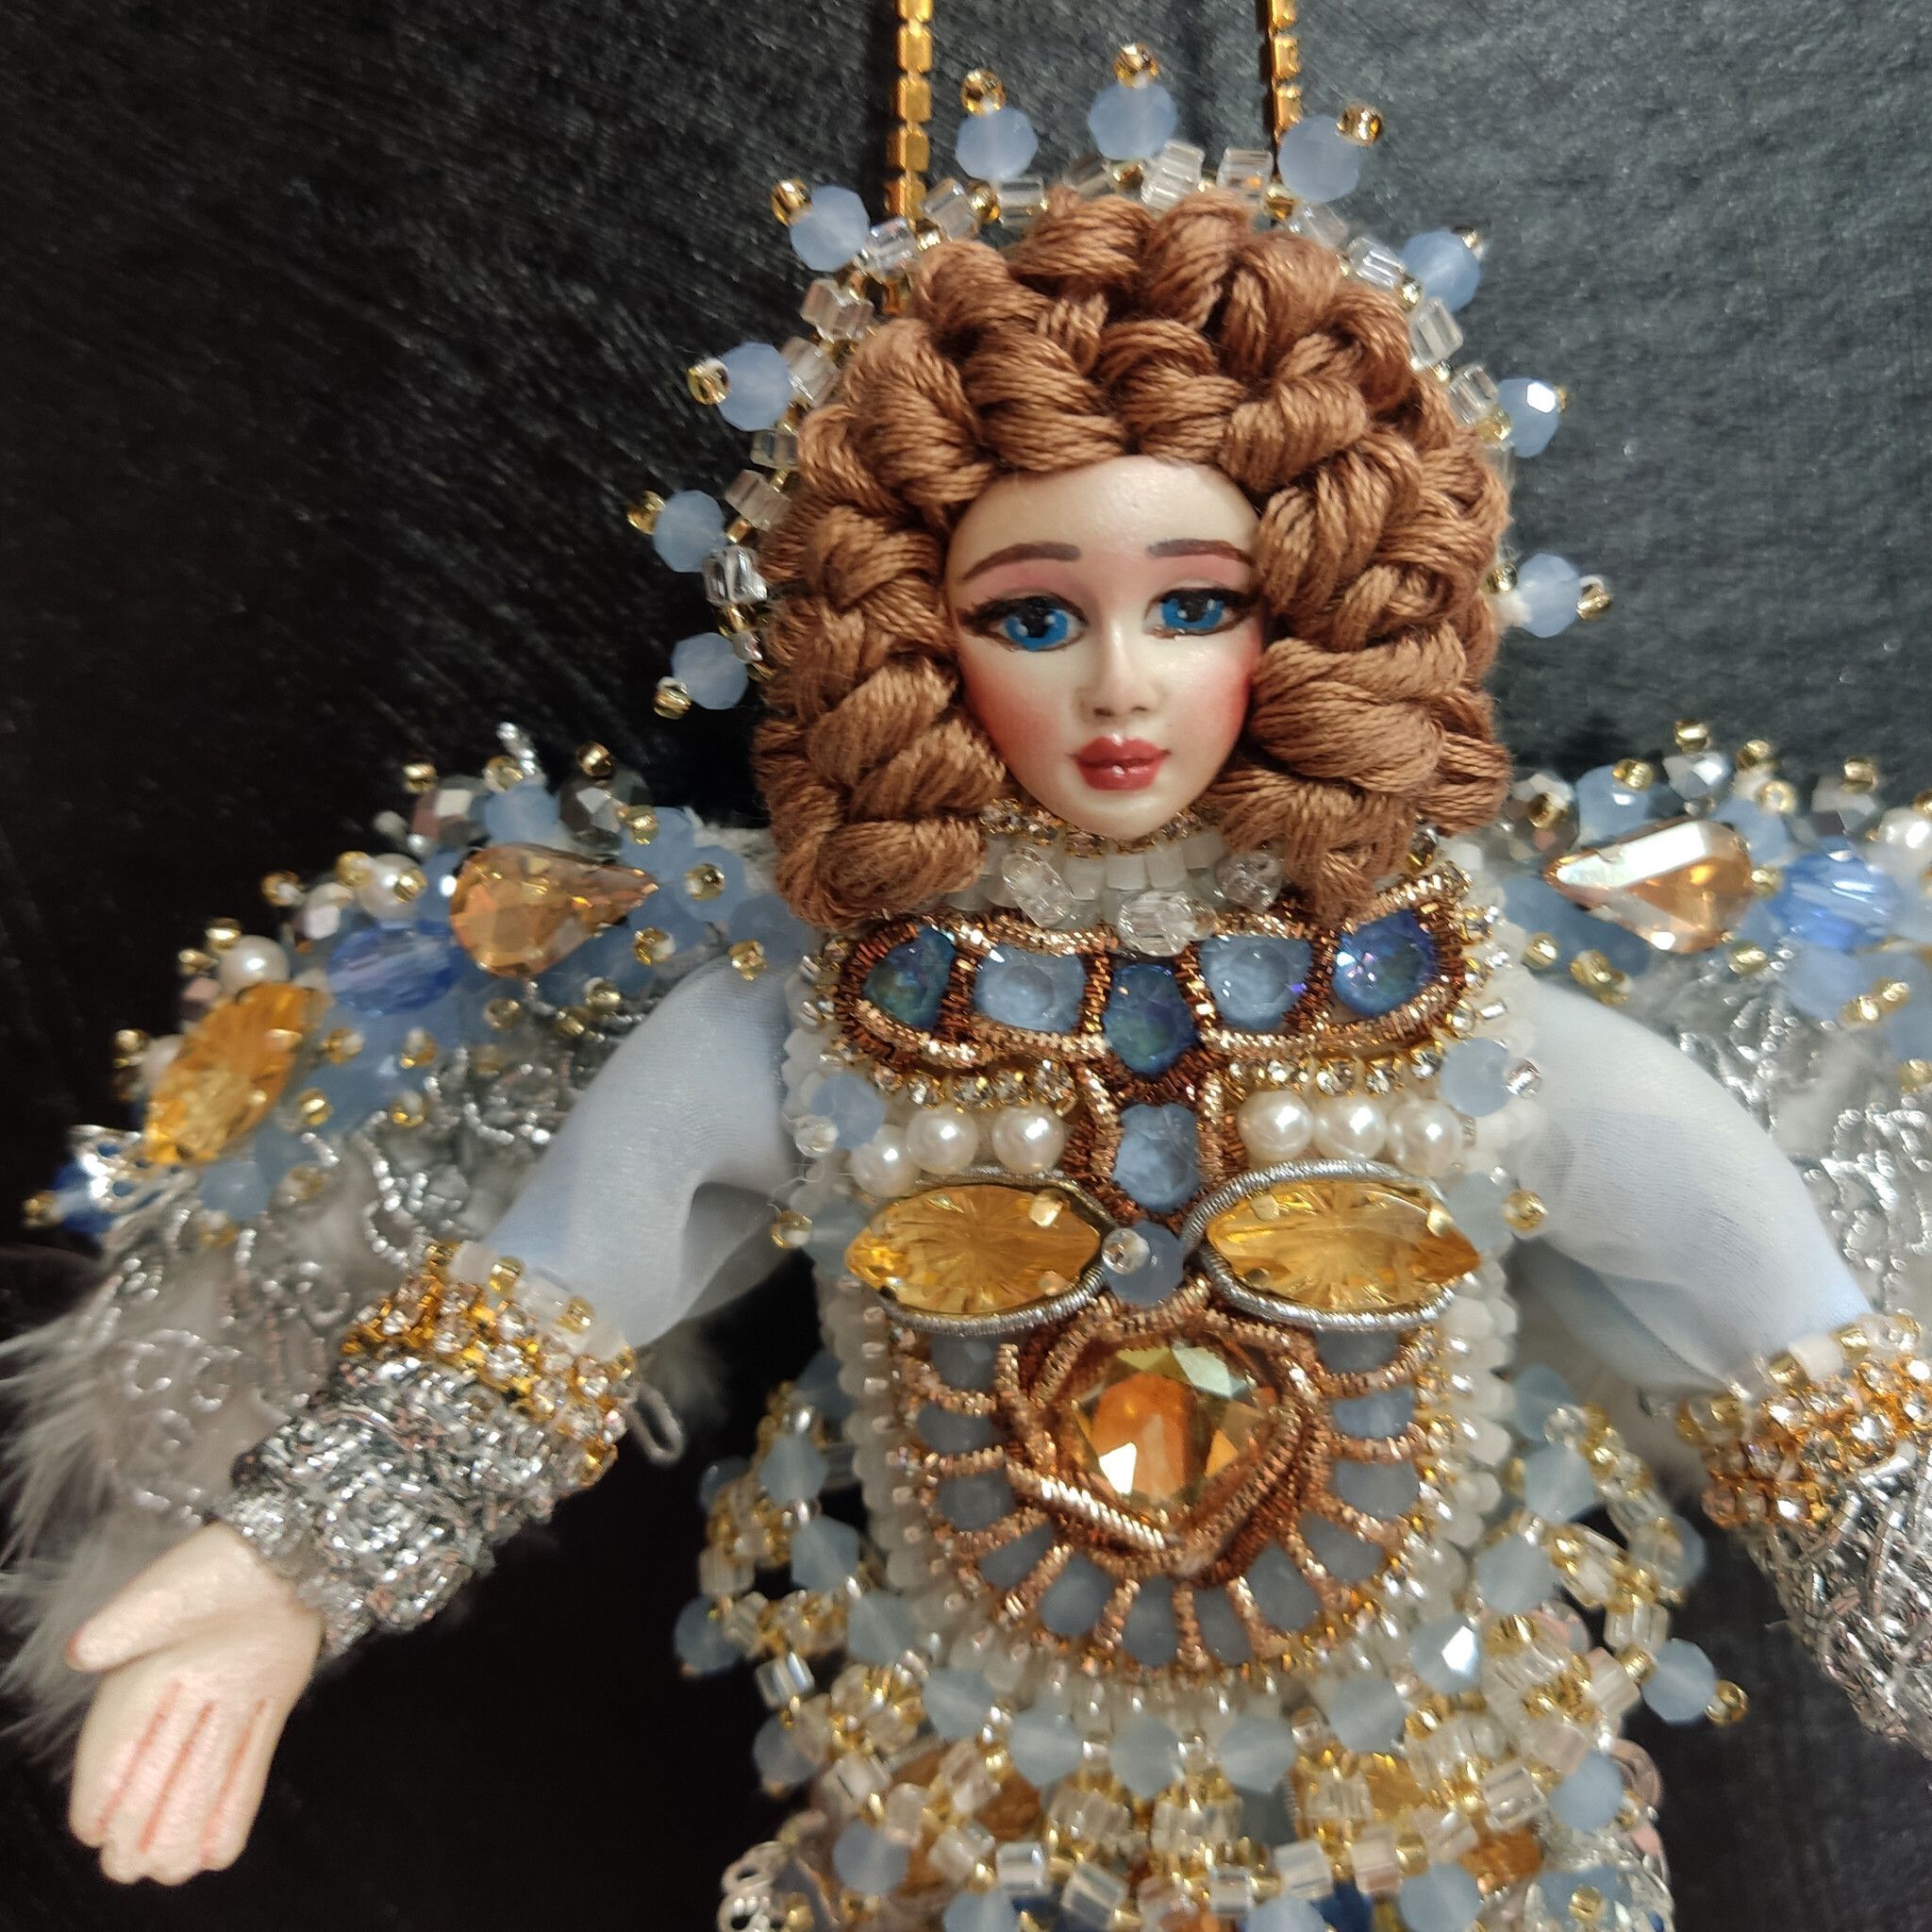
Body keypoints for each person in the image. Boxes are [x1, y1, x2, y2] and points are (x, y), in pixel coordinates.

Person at [10, 180, 1927, 1927]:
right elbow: (537, 1319)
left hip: (1444, 1802)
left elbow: (1795, 1344)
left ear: (1317, 607)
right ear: (914, 635)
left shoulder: (1455, 1012)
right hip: (973, 1813)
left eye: (1196, 603)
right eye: (1033, 614)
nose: (1119, 682)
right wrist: (282, 1577)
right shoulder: (824, 1017)